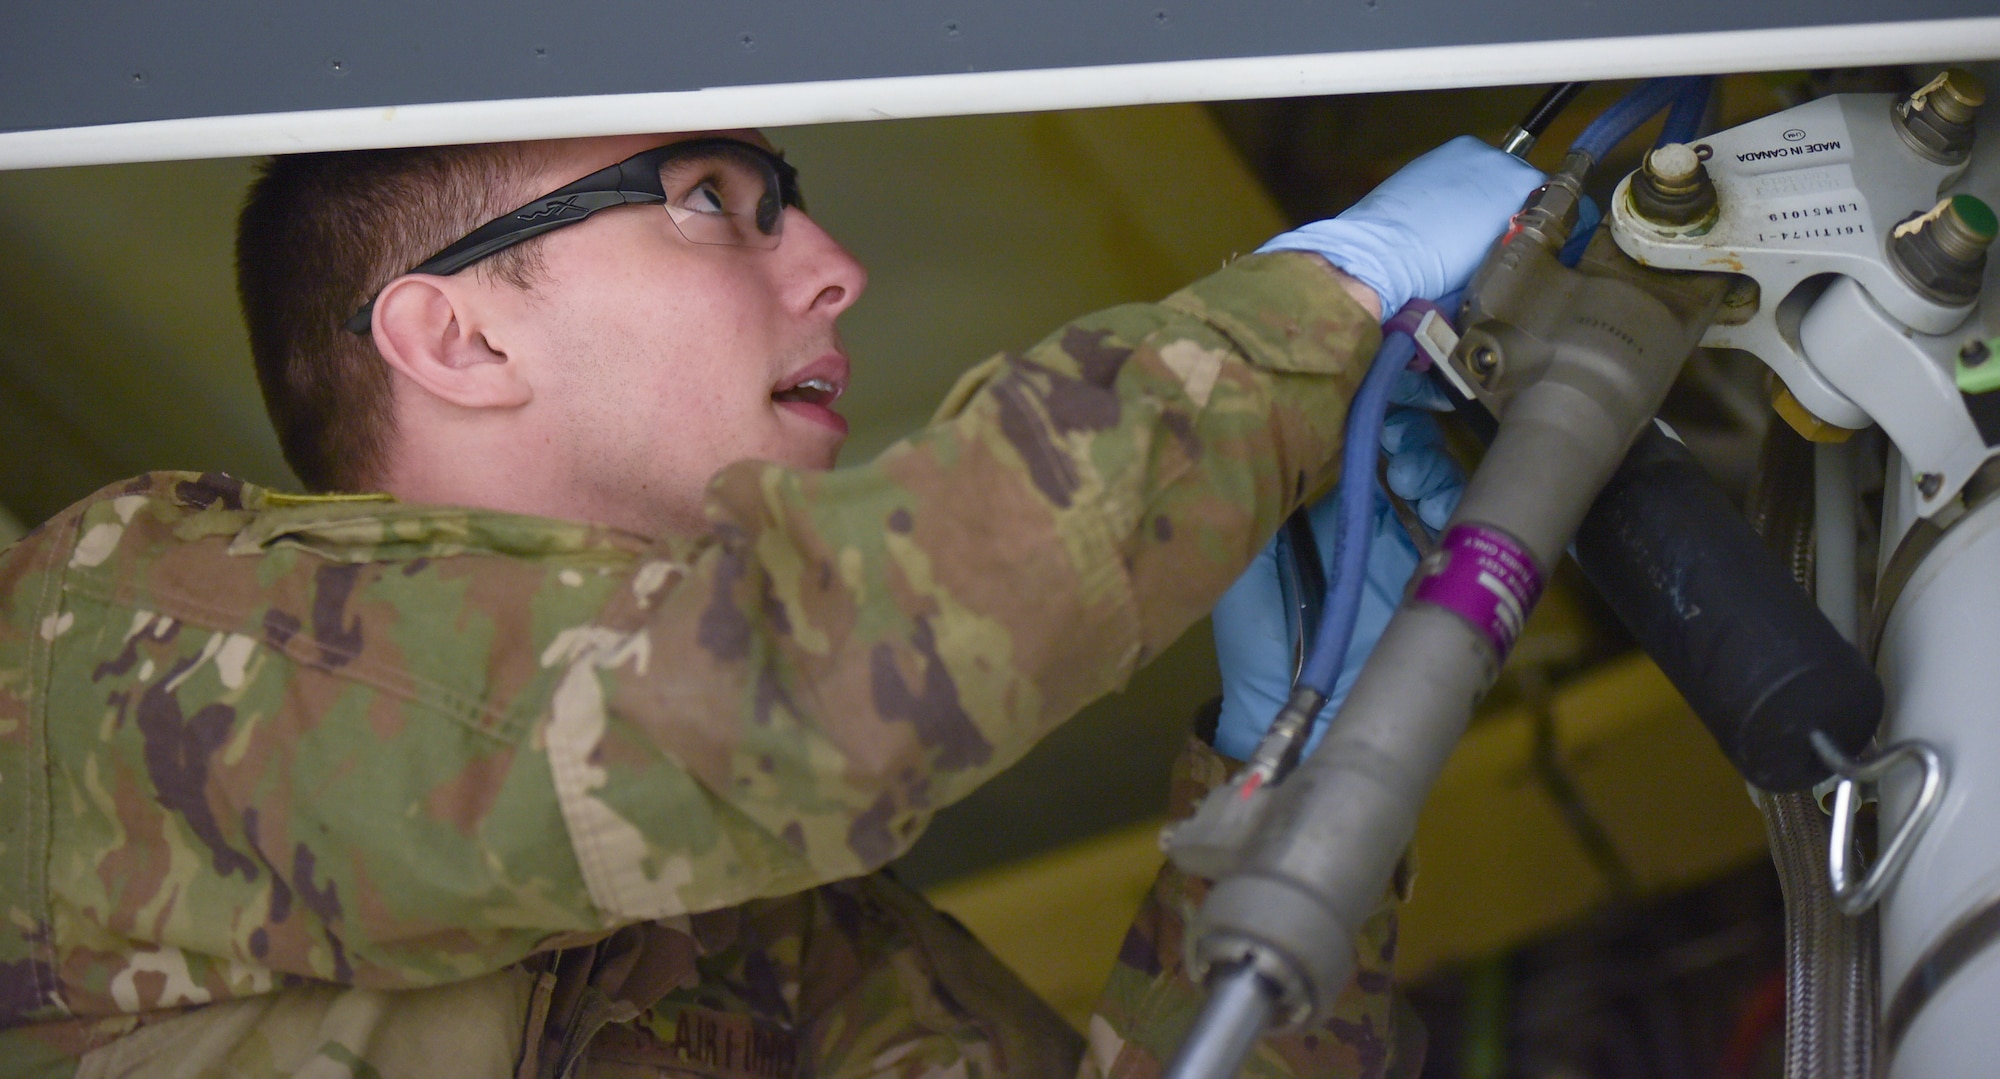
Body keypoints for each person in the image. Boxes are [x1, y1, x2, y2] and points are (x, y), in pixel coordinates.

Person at [0, 129, 1539, 1078]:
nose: (838, 267)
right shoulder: (129, 633)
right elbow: (811, 686)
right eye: (712, 199)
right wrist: (1322, 300)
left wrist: (1304, 777)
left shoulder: (772, 928)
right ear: (455, 339)